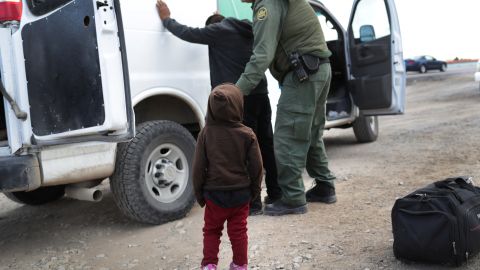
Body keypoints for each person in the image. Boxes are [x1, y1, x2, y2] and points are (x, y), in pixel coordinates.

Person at [156, 0, 282, 215]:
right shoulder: (247, 28)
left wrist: (166, 19)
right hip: (260, 93)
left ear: (213, 26)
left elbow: (188, 33)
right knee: (266, 144)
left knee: (243, 149)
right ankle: (277, 193)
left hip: (238, 98)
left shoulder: (218, 31)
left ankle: (253, 203)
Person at [235, 0, 337, 216]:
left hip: (303, 74)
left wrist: (236, 92)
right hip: (318, 69)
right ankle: (325, 187)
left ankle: (292, 199)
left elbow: (262, 55)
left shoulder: (267, 4)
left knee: (287, 136)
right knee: (311, 132)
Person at [192, 84, 263, 270]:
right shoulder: (247, 134)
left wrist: (199, 194)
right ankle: (240, 265)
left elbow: (198, 167)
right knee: (239, 232)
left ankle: (209, 265)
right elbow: (257, 167)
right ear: (238, 106)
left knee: (211, 231)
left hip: (214, 195)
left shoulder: (205, 134)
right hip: (240, 194)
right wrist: (254, 191)